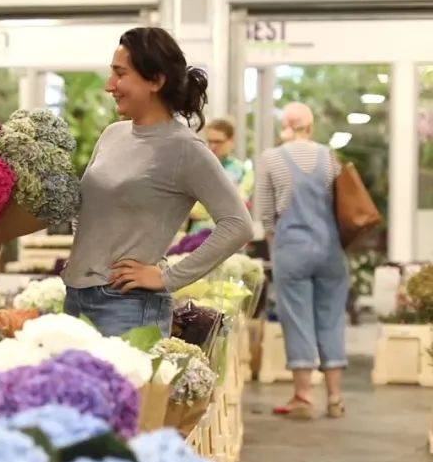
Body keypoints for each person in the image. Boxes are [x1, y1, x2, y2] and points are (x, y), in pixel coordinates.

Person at [62, 27, 254, 337]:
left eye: (120, 74)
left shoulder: (184, 148)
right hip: (75, 296)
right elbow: (88, 210)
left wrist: (168, 278)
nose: (110, 86)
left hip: (127, 306)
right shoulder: (113, 134)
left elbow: (238, 224)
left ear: (156, 80)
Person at [256, 102, 347, 419]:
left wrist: (275, 244)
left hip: (292, 249)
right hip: (330, 249)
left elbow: (265, 215)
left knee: (297, 319)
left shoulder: (271, 159)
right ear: (310, 126)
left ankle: (304, 396)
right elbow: (341, 204)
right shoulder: (329, 157)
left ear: (285, 125)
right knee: (332, 319)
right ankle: (335, 397)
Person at [188, 117, 255, 233]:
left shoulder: (243, 171)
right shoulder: (196, 168)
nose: (213, 146)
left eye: (218, 141)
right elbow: (192, 210)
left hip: (229, 236)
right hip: (196, 236)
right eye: (210, 141)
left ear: (231, 141)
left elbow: (237, 206)